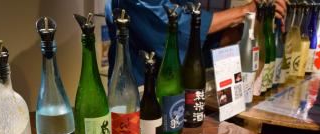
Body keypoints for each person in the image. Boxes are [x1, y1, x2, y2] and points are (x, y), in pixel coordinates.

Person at [105, 0, 287, 86]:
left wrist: (246, 28)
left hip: (178, 90)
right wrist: (246, 10)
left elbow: (199, 39)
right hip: (140, 93)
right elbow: (175, 27)